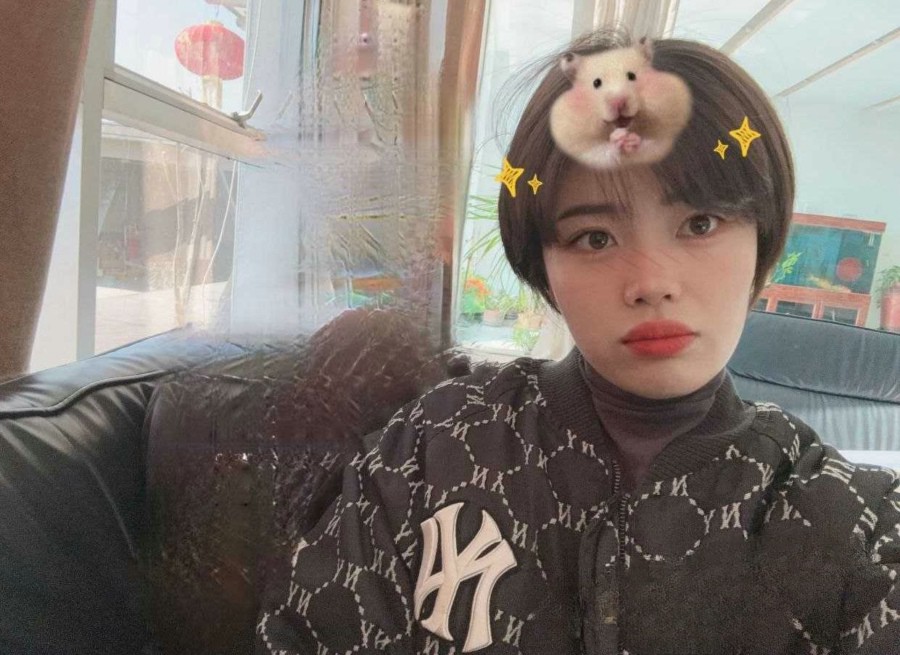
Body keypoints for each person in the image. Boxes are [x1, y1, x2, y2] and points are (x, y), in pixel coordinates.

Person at [254, 29, 900, 654]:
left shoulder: (849, 519)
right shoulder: (432, 447)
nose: (651, 283)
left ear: (763, 240)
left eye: (700, 223)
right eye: (595, 237)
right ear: (544, 268)